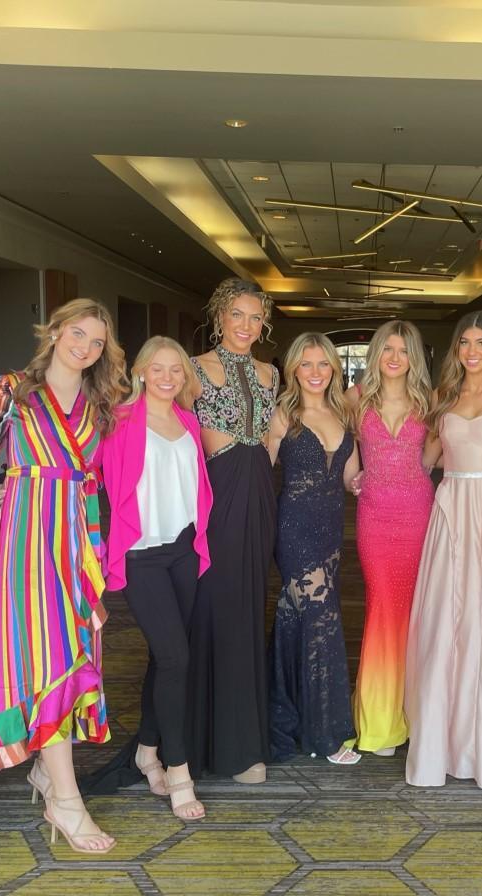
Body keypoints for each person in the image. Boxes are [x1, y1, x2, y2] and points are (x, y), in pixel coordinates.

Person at [0, 297, 127, 854]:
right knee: (43, 653)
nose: (85, 347)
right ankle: (66, 799)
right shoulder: (10, 390)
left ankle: (47, 772)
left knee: (71, 651)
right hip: (26, 537)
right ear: (55, 331)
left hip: (78, 536)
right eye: (77, 334)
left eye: (97, 342)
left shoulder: (100, 404)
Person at [404, 311, 482, 789]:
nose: (472, 351)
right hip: (451, 510)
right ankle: (442, 741)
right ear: (456, 349)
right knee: (445, 619)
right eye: (464, 343)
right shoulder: (443, 399)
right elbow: (426, 461)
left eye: (481, 342)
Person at [101, 336, 212, 821]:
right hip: (141, 556)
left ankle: (147, 750)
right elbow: (79, 470)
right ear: (142, 371)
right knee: (175, 657)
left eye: (176, 369)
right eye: (158, 368)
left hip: (184, 551)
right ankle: (178, 769)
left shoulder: (189, 421)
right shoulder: (119, 421)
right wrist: (14, 483)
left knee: (165, 658)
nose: (167, 377)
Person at [187, 278, 280, 783]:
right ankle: (206, 740)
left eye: (255, 317)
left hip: (259, 492)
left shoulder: (271, 374)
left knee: (248, 606)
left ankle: (245, 743)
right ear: (219, 315)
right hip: (216, 494)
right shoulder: (193, 368)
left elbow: (269, 439)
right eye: (236, 314)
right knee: (214, 604)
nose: (246, 325)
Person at [265, 333, 361, 764]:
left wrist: (368, 483)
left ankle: (285, 717)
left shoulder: (344, 413)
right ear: (294, 370)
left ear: (334, 370)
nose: (316, 372)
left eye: (324, 364)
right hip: (294, 530)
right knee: (323, 620)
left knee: (297, 621)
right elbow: (259, 471)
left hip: (330, 534)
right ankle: (326, 735)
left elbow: (350, 477)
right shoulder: (283, 415)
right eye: (307, 364)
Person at [345, 321, 435, 757]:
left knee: (418, 614)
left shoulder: (429, 401)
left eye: (404, 350)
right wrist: (352, 477)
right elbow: (341, 445)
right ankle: (380, 720)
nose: (395, 358)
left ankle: (415, 713)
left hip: (419, 514)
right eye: (388, 349)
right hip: (376, 517)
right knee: (382, 611)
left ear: (413, 357)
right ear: (376, 354)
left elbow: (435, 457)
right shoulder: (356, 398)